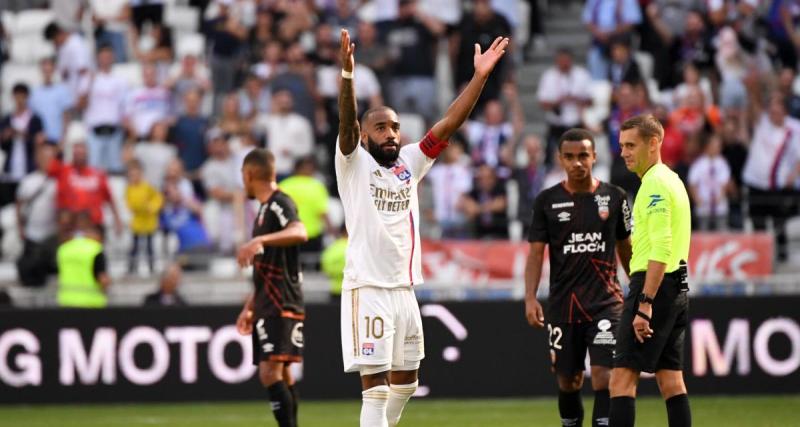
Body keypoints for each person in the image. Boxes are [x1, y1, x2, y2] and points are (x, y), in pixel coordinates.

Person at [335, 28, 508, 427]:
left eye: (394, 127)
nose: (390, 134)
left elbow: (449, 124)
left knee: (407, 383)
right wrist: (348, 77)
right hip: (369, 285)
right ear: (365, 136)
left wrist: (479, 77)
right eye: (380, 128)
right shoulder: (353, 163)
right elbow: (346, 125)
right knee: (375, 389)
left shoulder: (410, 163)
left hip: (405, 287)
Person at [524, 128, 632, 427]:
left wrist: (638, 292)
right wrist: (531, 297)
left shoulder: (615, 197)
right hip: (564, 306)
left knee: (604, 376)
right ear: (560, 159)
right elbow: (535, 254)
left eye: (583, 155)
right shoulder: (547, 200)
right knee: (568, 381)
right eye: (569, 157)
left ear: (594, 156)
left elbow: (626, 248)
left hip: (606, 302)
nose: (577, 163)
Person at [610, 114, 692, 427]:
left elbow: (662, 247)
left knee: (622, 382)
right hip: (677, 286)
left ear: (654, 143)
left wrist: (645, 302)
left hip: (654, 287)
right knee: (671, 381)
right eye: (621, 146)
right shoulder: (672, 179)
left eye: (631, 145)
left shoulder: (655, 184)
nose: (624, 152)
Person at [234, 148, 308, 427]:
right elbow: (265, 270)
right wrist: (249, 307)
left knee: (269, 372)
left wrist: (258, 242)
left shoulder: (280, 201)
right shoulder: (263, 211)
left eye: (243, 175)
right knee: (282, 372)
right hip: (268, 301)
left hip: (282, 300)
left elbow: (299, 231)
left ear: (250, 173)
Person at [57, 212, 111, 308]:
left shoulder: (64, 249)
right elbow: (103, 280)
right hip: (91, 303)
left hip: (66, 301)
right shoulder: (95, 249)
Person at [126, 159, 163, 275]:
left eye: (137, 174)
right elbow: (129, 203)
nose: (135, 177)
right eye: (132, 175)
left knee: (149, 246)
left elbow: (158, 198)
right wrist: (136, 207)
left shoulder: (147, 187)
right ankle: (132, 267)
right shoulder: (129, 189)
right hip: (137, 221)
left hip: (148, 220)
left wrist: (152, 207)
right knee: (135, 246)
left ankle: (151, 267)